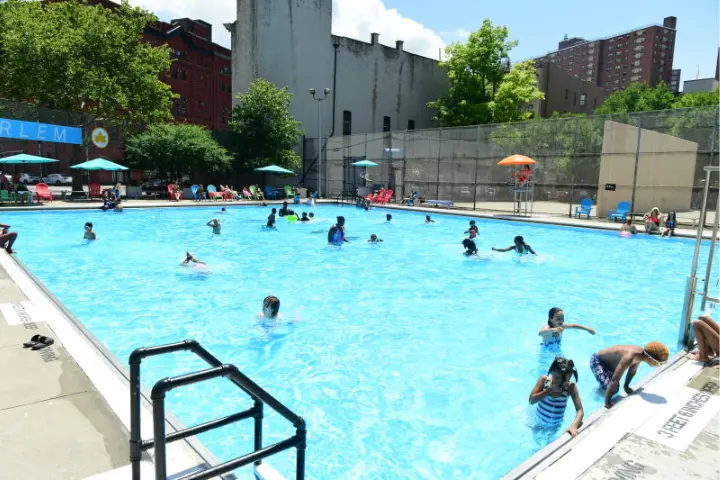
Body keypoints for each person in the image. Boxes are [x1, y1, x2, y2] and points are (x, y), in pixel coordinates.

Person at [590, 342, 669, 408]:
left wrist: (626, 386)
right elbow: (615, 380)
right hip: (597, 361)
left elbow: (632, 370)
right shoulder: (629, 357)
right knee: (611, 388)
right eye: (660, 363)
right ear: (651, 360)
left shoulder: (641, 355)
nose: (660, 365)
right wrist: (607, 403)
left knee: (613, 388)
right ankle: (597, 394)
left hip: (611, 366)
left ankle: (601, 389)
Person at [529, 357, 584, 437]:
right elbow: (531, 401)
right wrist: (548, 391)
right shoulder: (544, 381)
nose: (554, 380)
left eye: (558, 378)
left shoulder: (570, 387)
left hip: (555, 427)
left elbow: (580, 410)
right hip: (538, 422)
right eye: (554, 375)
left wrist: (574, 426)